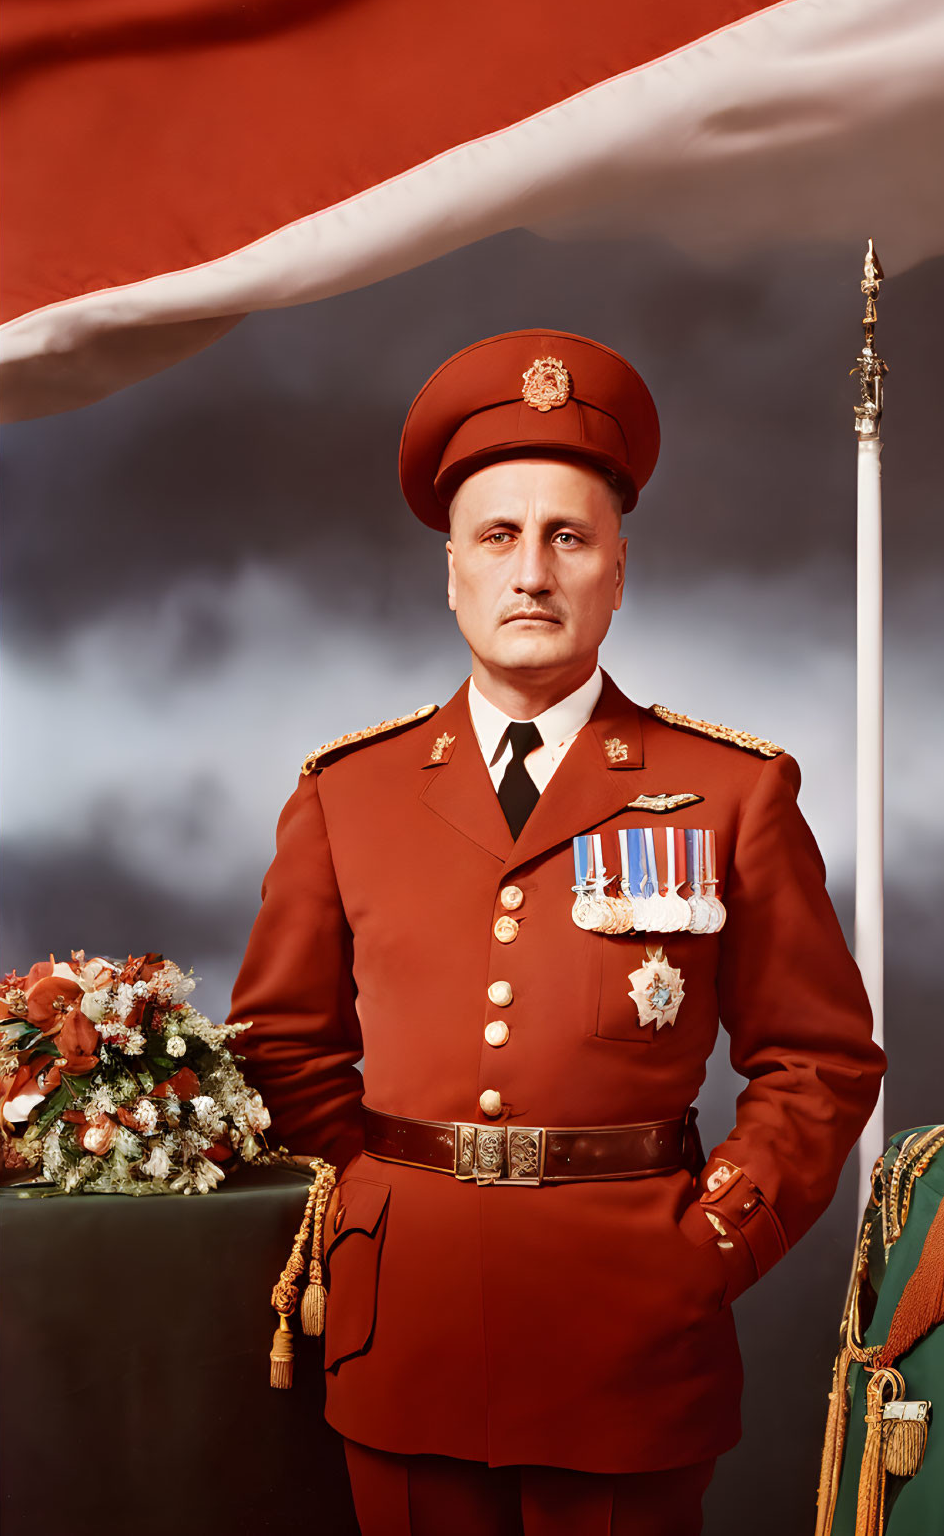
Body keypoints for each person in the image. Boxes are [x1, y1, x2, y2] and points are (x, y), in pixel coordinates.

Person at [228, 328, 885, 1536]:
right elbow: (280, 1045)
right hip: (405, 1320)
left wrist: (710, 1246)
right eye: (498, 536)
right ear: (452, 573)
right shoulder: (347, 794)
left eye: (567, 537)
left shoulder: (734, 790)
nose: (532, 570)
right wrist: (380, 1206)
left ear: (619, 570)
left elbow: (821, 1057)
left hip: (632, 1323)